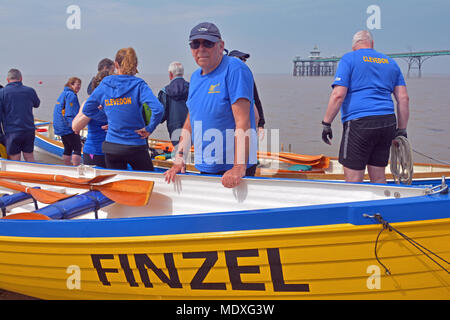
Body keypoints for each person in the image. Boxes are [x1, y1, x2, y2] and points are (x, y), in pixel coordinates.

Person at [164, 22, 258, 188]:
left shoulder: (235, 69)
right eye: (195, 44)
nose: (201, 48)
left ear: (221, 46)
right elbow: (190, 121)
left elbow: (243, 121)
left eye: (208, 43)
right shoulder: (194, 78)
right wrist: (179, 159)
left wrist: (238, 167)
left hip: (232, 169)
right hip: (206, 165)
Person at [321, 30, 410, 183]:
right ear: (372, 44)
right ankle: (381, 206)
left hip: (360, 123)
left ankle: (357, 207)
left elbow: (338, 95)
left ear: (354, 45)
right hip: (387, 122)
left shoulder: (349, 59)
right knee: (379, 176)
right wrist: (401, 130)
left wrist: (327, 123)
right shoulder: (390, 62)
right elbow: (403, 99)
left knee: (354, 179)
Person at [81, 47, 164, 171]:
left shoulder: (105, 84)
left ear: (116, 65)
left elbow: (88, 109)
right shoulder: (139, 85)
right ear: (135, 65)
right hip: (135, 145)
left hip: (112, 147)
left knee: (117, 184)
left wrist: (109, 117)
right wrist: (149, 128)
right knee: (147, 182)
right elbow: (158, 109)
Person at [72, 70, 111, 167]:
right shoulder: (89, 103)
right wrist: (91, 111)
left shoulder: (118, 102)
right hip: (94, 152)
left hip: (114, 151)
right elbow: (75, 127)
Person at [0, 69, 40, 161]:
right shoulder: (30, 91)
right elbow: (37, 104)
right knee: (29, 156)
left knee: (15, 160)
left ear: (7, 79)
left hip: (12, 132)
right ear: (21, 78)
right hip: (29, 130)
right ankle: (32, 174)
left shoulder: (2, 93)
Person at [228, 50, 266, 137]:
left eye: (244, 60)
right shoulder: (224, 76)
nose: (243, 61)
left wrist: (261, 124)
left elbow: (256, 99)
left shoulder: (247, 76)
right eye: (241, 59)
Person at [157, 61, 189, 147]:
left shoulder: (165, 92)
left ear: (171, 74)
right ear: (182, 73)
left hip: (175, 131)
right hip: (192, 129)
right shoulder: (193, 89)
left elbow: (160, 116)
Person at [53, 77, 82, 166]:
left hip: (60, 127)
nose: (79, 87)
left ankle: (67, 168)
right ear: (71, 84)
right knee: (77, 148)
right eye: (78, 84)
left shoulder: (63, 94)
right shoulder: (71, 95)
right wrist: (75, 128)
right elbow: (70, 114)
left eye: (80, 85)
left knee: (68, 148)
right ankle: (76, 169)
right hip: (67, 127)